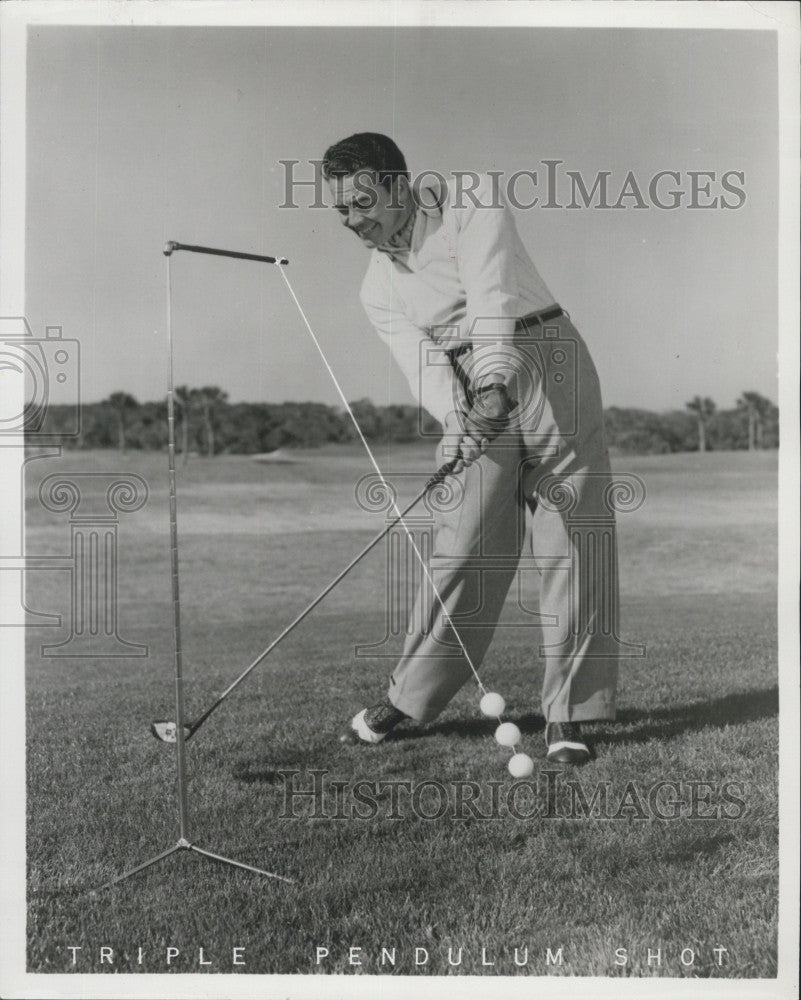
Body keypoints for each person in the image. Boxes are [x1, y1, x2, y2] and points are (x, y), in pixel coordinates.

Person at [323, 133, 619, 764]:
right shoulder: (377, 287)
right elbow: (424, 367)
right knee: (460, 548)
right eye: (342, 210)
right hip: (468, 389)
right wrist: (460, 424)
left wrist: (493, 386)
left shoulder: (469, 203)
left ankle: (569, 714)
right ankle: (410, 696)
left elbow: (492, 300)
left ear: (400, 186)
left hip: (546, 358)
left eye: (363, 202)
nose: (353, 221)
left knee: (572, 537)